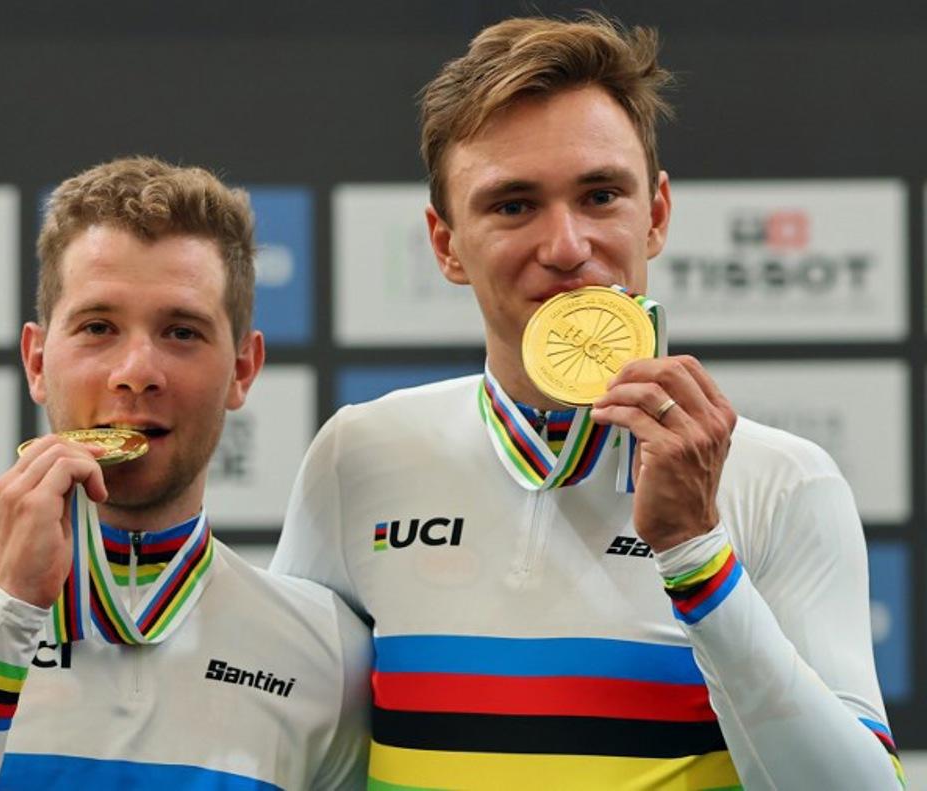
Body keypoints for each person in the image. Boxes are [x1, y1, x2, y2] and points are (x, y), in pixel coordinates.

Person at [271, 14, 902, 790]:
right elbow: (285, 753)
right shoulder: (357, 455)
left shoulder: (783, 481)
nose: (567, 246)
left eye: (600, 195)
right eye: (512, 205)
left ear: (657, 214)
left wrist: (697, 554)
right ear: (445, 244)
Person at [0, 156, 370, 790]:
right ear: (36, 360)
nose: (138, 370)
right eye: (98, 327)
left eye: (182, 332)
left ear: (243, 370)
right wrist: (8, 615)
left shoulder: (327, 650)